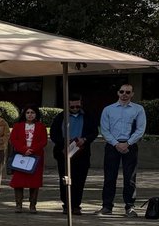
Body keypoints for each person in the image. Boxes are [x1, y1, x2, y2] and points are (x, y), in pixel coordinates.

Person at [97, 83, 147, 217]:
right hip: (112, 146)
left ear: (132, 94)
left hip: (130, 146)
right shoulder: (108, 109)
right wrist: (116, 144)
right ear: (118, 93)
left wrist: (128, 143)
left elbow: (140, 129)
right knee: (109, 177)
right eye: (122, 92)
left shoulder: (138, 109)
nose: (124, 94)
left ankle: (130, 207)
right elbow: (104, 130)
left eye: (128, 92)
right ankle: (107, 206)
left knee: (130, 178)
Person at [50, 93, 98, 214]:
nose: (75, 109)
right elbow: (54, 134)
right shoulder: (60, 117)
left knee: (80, 180)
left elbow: (94, 132)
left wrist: (85, 139)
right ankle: (66, 204)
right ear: (67, 105)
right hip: (64, 153)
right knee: (65, 179)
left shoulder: (88, 116)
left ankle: (76, 205)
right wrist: (65, 142)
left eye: (78, 106)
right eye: (72, 107)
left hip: (82, 153)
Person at [8, 104, 47, 212]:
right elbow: (13, 140)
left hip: (36, 157)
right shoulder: (18, 126)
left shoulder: (41, 126)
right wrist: (24, 149)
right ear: (24, 114)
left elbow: (43, 141)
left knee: (34, 182)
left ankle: (33, 205)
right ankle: (18, 204)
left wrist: (32, 150)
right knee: (18, 181)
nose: (30, 115)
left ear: (36, 114)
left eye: (32, 113)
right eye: (28, 113)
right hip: (21, 156)